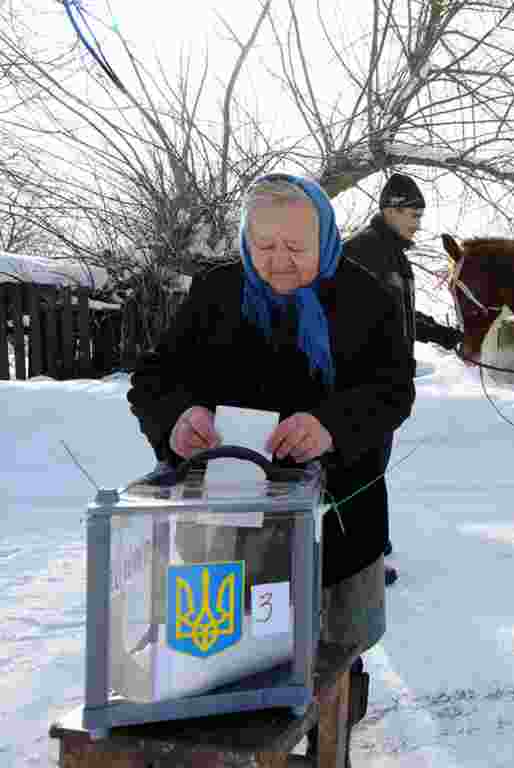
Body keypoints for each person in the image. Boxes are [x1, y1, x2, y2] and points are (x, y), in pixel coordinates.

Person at [126, 173, 415, 743]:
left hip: (337, 516)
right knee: (231, 658)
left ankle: (334, 731)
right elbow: (155, 379)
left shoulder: (367, 298)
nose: (278, 262)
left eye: (295, 249)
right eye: (263, 247)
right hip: (227, 520)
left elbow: (392, 391)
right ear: (244, 239)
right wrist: (178, 418)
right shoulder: (217, 292)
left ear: (325, 239)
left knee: (331, 654)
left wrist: (331, 425)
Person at [343, 172, 425, 586]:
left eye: (420, 214)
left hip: (387, 381)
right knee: (362, 473)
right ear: (390, 209)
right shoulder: (363, 250)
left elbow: (402, 317)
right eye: (412, 213)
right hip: (365, 382)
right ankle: (362, 562)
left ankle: (372, 545)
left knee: (373, 469)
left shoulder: (394, 254)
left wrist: (446, 336)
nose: (418, 222)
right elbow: (352, 321)